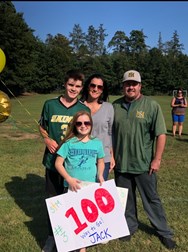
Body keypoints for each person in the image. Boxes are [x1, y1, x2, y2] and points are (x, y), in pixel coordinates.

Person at [112, 70, 177, 250]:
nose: (130, 87)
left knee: (152, 199)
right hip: (121, 164)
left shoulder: (152, 105)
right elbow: (108, 133)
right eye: (127, 84)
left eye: (134, 84)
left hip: (144, 165)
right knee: (125, 200)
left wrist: (157, 159)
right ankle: (129, 227)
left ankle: (164, 232)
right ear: (123, 86)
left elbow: (161, 134)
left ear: (140, 85)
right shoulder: (115, 106)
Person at [39, 69, 90, 252]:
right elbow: (42, 126)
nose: (73, 89)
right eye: (70, 85)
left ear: (81, 88)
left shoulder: (83, 109)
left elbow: (86, 135)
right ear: (65, 84)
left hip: (73, 167)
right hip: (53, 163)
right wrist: (46, 138)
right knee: (53, 202)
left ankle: (74, 237)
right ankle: (52, 237)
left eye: (77, 86)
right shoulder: (50, 104)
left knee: (74, 202)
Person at [55, 110, 105, 252]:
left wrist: (100, 175)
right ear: (75, 125)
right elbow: (58, 163)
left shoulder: (97, 143)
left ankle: (82, 246)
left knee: (86, 217)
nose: (83, 126)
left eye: (86, 122)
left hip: (89, 187)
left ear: (91, 124)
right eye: (79, 123)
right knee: (73, 218)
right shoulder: (69, 143)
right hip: (72, 187)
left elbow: (100, 161)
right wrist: (69, 179)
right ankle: (74, 244)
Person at [80, 73, 115, 180]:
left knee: (98, 190)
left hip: (103, 158)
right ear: (87, 86)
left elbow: (110, 133)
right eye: (93, 85)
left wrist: (111, 156)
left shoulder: (109, 107)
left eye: (99, 87)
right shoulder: (78, 106)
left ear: (103, 90)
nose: (95, 89)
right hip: (82, 157)